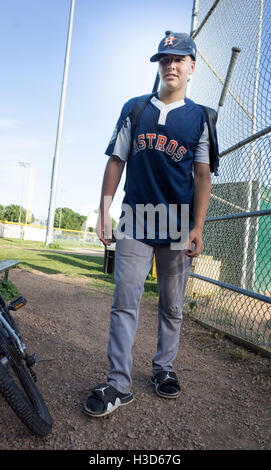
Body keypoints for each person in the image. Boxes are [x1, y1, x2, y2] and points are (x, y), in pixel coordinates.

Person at [84, 31, 217, 417]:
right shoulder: (136, 108)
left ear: (191, 67)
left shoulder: (200, 117)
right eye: (164, 59)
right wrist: (104, 210)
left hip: (177, 221)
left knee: (172, 305)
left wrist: (198, 226)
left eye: (178, 59)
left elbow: (203, 176)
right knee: (124, 301)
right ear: (158, 65)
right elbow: (115, 161)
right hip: (135, 219)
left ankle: (163, 369)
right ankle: (118, 383)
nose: (170, 65)